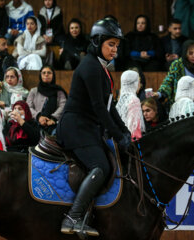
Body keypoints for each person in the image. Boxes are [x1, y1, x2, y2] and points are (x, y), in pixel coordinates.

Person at [56, 18, 130, 236]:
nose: (115, 49)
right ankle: (73, 216)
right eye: (111, 44)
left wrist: (124, 131)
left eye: (117, 45)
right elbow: (99, 108)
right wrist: (118, 135)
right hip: (75, 127)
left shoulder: (102, 68)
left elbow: (110, 106)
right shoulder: (89, 65)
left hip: (87, 127)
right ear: (97, 42)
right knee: (101, 166)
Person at [27, 65, 66, 134]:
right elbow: (28, 107)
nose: (46, 75)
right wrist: (39, 117)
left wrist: (53, 118)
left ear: (53, 75)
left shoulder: (59, 91)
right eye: (44, 73)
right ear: (40, 75)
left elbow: (63, 106)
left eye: (49, 73)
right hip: (36, 122)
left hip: (54, 123)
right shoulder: (34, 91)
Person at [116, 70, 145, 141]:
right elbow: (134, 128)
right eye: (138, 81)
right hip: (132, 141)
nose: (139, 84)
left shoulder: (121, 99)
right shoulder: (134, 100)